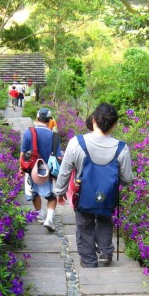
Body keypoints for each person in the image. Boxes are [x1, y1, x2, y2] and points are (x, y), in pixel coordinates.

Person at [54, 103, 133, 268]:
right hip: (107, 196)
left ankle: (89, 260)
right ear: (114, 124)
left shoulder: (77, 142)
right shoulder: (121, 148)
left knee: (84, 225)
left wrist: (59, 191)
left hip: (82, 195)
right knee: (105, 221)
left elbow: (65, 170)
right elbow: (127, 178)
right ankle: (105, 252)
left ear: (94, 120)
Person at [20, 107, 62, 231]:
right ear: (50, 120)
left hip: (32, 170)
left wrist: (21, 168)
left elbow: (23, 153)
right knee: (51, 196)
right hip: (48, 171)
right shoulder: (54, 136)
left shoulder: (29, 132)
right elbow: (58, 156)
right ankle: (49, 219)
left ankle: (40, 216)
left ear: (37, 118)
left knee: (34, 193)